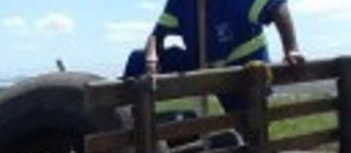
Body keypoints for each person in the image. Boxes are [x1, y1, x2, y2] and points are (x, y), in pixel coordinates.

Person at [125, 0, 304, 99]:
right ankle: (126, 126)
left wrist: (291, 49)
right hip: (203, 64)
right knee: (137, 60)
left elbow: (278, 8)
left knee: (250, 130)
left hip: (242, 69)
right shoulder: (180, 3)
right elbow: (156, 36)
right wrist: (151, 59)